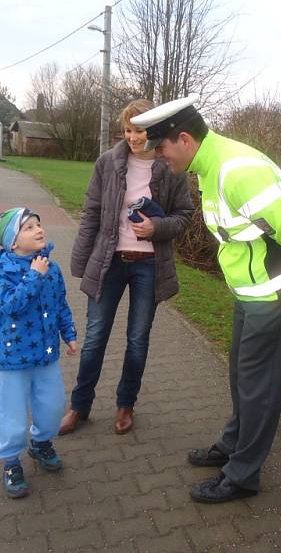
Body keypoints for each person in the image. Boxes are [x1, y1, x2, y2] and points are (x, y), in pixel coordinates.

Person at [131, 95, 281, 504]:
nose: (158, 157)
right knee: (241, 377)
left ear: (185, 139)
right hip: (254, 293)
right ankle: (231, 446)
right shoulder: (211, 166)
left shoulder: (235, 171)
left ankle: (243, 475)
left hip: (278, 295)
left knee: (258, 386)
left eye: (161, 147)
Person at [60, 99, 194, 436]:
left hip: (149, 266)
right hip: (109, 263)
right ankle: (79, 405)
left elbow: (185, 215)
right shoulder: (107, 163)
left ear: (154, 130)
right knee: (95, 338)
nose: (133, 137)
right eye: (128, 130)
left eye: (140, 130)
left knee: (137, 339)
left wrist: (155, 229)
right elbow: (91, 211)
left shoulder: (169, 167)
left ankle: (125, 404)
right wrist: (79, 260)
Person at [0, 208, 78, 498]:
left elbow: (61, 303)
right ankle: (11, 461)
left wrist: (70, 334)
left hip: (46, 354)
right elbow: (11, 305)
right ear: (13, 242)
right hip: (15, 359)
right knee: (12, 415)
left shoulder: (51, 268)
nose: (38, 230)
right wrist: (33, 277)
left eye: (38, 224)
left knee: (53, 407)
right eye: (28, 227)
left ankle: (40, 443)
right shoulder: (4, 270)